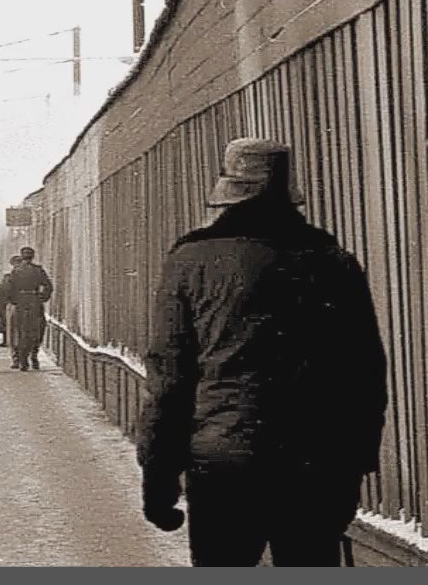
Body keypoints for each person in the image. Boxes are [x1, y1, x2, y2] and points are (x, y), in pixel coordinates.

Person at [136, 138, 388, 567]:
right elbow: (365, 378)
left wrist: (158, 477)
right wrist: (350, 474)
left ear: (227, 195)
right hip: (315, 465)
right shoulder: (334, 261)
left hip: (223, 464)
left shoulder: (191, 260)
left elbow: (169, 378)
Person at [6, 246, 52, 371]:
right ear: (32, 257)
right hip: (35, 302)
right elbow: (48, 286)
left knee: (21, 332)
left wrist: (14, 300)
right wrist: (42, 297)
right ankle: (34, 356)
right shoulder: (38, 270)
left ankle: (23, 361)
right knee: (37, 330)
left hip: (20, 303)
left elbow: (9, 288)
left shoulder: (16, 271)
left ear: (22, 256)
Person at [0, 254, 24, 351]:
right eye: (16, 264)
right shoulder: (8, 277)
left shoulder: (9, 277)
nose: (17, 266)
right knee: (12, 329)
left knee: (13, 329)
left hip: (16, 305)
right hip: (16, 304)